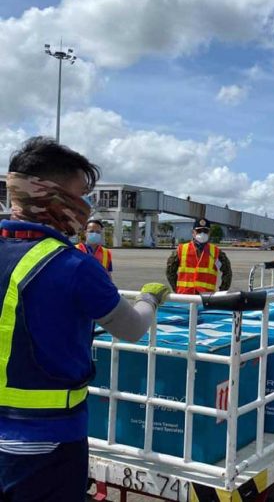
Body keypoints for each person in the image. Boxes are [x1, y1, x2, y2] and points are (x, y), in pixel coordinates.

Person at [0, 136, 170, 501]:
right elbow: (132, 328)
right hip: (46, 441)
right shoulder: (72, 265)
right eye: (81, 195)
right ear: (52, 196)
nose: (88, 209)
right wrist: (149, 299)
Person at [166, 218, 232, 294]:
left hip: (206, 299)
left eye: (205, 231)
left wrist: (221, 293)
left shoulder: (216, 252)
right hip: (184, 297)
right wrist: (176, 289)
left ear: (209, 233)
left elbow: (227, 272)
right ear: (193, 232)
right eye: (199, 231)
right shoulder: (180, 250)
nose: (202, 234)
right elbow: (170, 271)